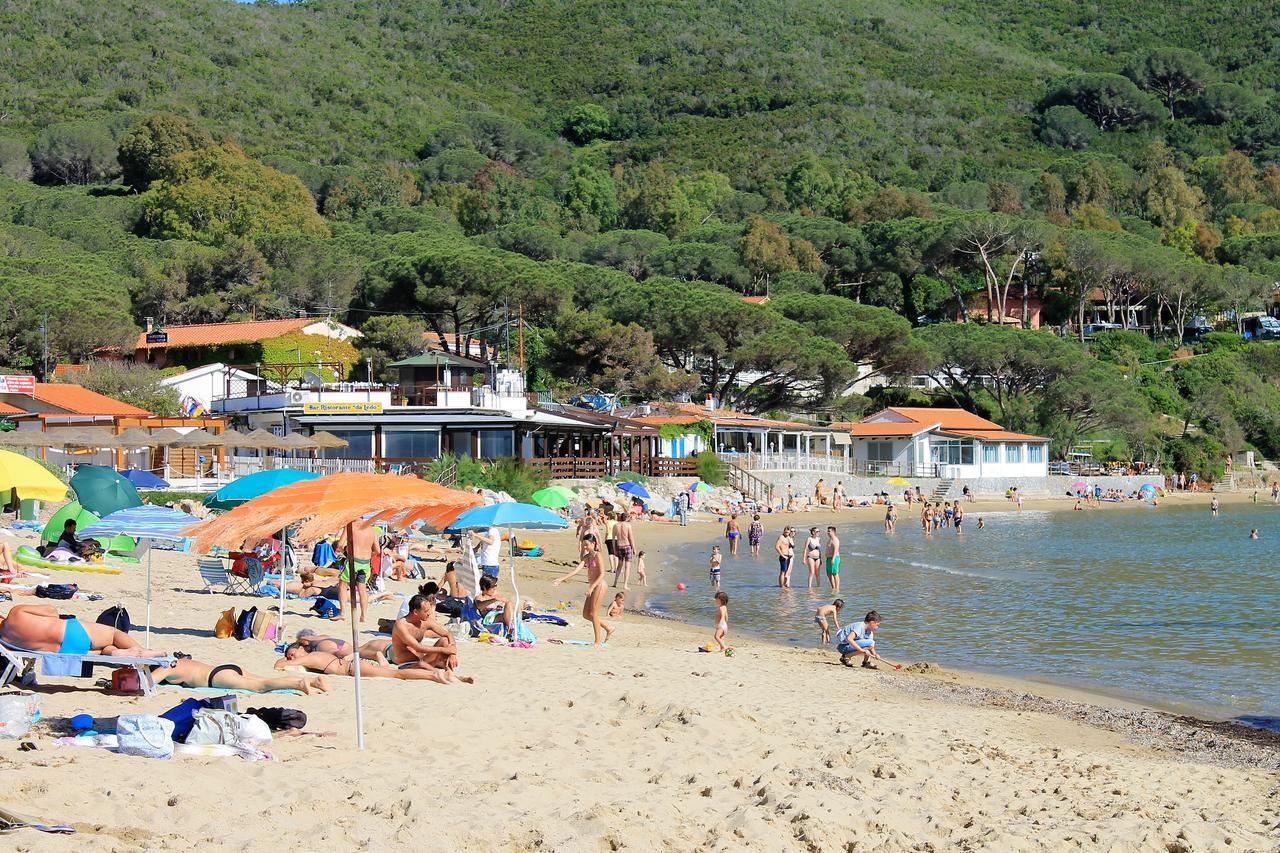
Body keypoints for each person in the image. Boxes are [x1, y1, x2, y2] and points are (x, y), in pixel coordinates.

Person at [0, 604, 167, 657]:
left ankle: (117, 653)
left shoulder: (5, 642)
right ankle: (143, 652)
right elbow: (51, 611)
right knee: (113, 634)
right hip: (69, 631)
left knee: (104, 650)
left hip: (65, 652)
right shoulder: (16, 613)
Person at [154, 657, 329, 694]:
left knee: (261, 687)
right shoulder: (177, 659)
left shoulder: (167, 666)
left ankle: (298, 685)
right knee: (263, 679)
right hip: (225, 666)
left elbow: (148, 682)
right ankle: (314, 681)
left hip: (215, 678)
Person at [392, 594, 468, 676]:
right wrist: (444, 650)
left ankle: (448, 670)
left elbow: (447, 634)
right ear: (415, 612)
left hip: (424, 660)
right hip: (408, 666)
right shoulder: (401, 625)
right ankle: (447, 673)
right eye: (425, 611)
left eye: (429, 610)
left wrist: (452, 653)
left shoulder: (425, 621)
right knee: (424, 663)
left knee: (444, 640)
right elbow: (418, 647)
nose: (429, 614)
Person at [335, 521, 376, 623]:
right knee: (362, 590)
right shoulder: (371, 529)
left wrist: (344, 551)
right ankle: (363, 616)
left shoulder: (350, 526)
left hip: (353, 561)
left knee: (342, 586)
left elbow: (340, 544)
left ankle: (343, 613)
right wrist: (367, 556)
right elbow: (378, 550)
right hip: (365, 563)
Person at [580, 533, 612, 646]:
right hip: (592, 587)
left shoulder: (598, 555)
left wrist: (592, 587)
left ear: (594, 544)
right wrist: (561, 579)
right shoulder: (586, 557)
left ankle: (597, 641)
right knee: (586, 614)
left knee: (593, 613)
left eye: (587, 545)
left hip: (599, 585)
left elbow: (602, 573)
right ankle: (608, 627)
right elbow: (576, 569)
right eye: (583, 545)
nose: (585, 547)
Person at [613, 513, 636, 589]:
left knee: (619, 565)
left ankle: (615, 582)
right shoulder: (628, 525)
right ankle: (625, 585)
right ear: (626, 518)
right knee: (627, 566)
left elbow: (614, 539)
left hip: (619, 546)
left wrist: (614, 549)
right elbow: (631, 538)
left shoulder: (616, 525)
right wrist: (634, 548)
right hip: (627, 546)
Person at [824, 526, 841, 591]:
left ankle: (837, 588)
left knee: (835, 573)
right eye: (827, 531)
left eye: (829, 531)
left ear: (833, 532)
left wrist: (833, 559)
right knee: (829, 573)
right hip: (829, 558)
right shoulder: (830, 539)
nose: (827, 532)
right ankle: (833, 587)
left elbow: (836, 549)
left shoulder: (835, 539)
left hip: (834, 558)